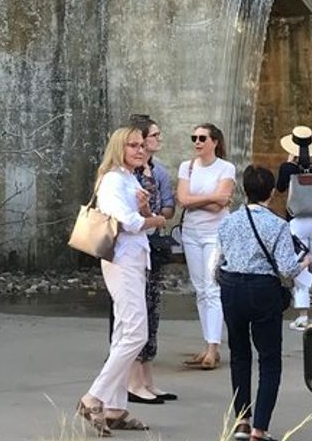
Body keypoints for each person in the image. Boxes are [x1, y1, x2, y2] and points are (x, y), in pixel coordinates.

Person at [78, 126, 169, 436]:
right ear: (119, 148)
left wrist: (145, 210)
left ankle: (115, 408)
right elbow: (128, 223)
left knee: (123, 331)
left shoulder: (129, 178)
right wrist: (154, 219)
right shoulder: (114, 180)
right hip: (122, 260)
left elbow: (138, 220)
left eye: (142, 145)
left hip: (132, 259)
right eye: (132, 146)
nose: (140, 150)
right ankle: (94, 396)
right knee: (135, 333)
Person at [217, 165, 306, 441]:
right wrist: (305, 262)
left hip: (231, 287)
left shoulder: (227, 221)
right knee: (269, 359)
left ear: (245, 190)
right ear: (270, 192)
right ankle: (260, 428)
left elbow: (219, 259)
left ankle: (242, 421)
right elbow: (287, 269)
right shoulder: (278, 225)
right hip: (262, 290)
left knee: (239, 355)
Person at [175, 122, 237, 370]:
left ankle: (213, 347)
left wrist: (196, 201)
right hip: (191, 233)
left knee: (212, 287)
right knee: (200, 288)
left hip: (215, 233)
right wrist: (212, 197)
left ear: (215, 142)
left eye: (202, 138)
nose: (197, 142)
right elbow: (183, 200)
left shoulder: (226, 167)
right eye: (194, 138)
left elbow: (217, 206)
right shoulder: (186, 167)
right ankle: (207, 343)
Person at [126, 114, 176, 405]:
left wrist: (156, 216)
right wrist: (152, 216)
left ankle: (147, 378)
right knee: (135, 314)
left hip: (153, 246)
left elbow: (168, 207)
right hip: (131, 250)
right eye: (153, 135)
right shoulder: (124, 175)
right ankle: (132, 382)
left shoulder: (159, 172)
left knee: (152, 309)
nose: (158, 140)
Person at [276, 126, 312, 331]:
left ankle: (303, 314)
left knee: (300, 264)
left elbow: (280, 188)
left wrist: (289, 162)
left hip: (297, 219)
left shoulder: (288, 168)